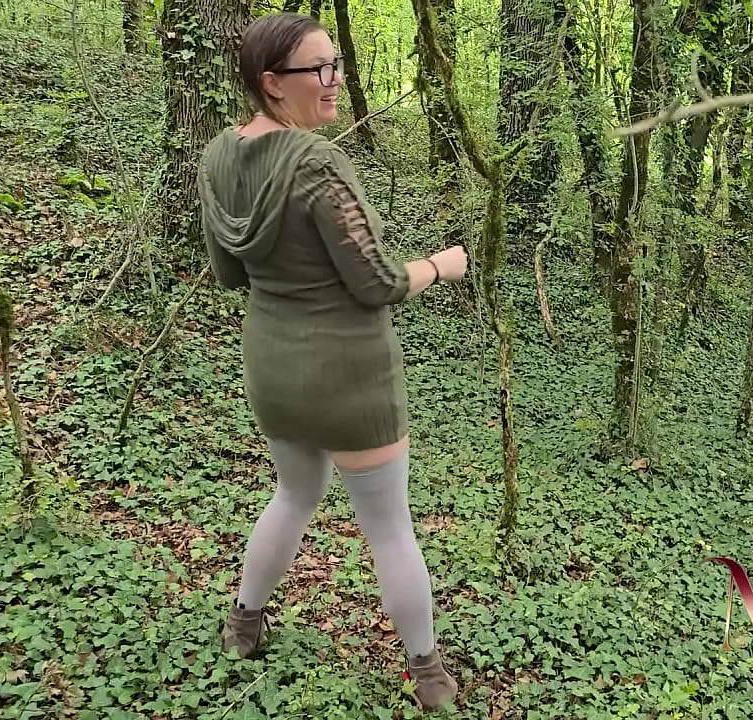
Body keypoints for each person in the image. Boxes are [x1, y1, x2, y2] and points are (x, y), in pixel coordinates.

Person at [195, 13, 466, 712]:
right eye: (317, 69)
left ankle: (244, 623)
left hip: (274, 369)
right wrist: (441, 264)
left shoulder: (218, 156)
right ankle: (429, 673)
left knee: (293, 494)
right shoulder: (317, 165)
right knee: (389, 527)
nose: (334, 80)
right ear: (271, 85)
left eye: (335, 63)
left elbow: (229, 274)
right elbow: (374, 281)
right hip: (350, 376)